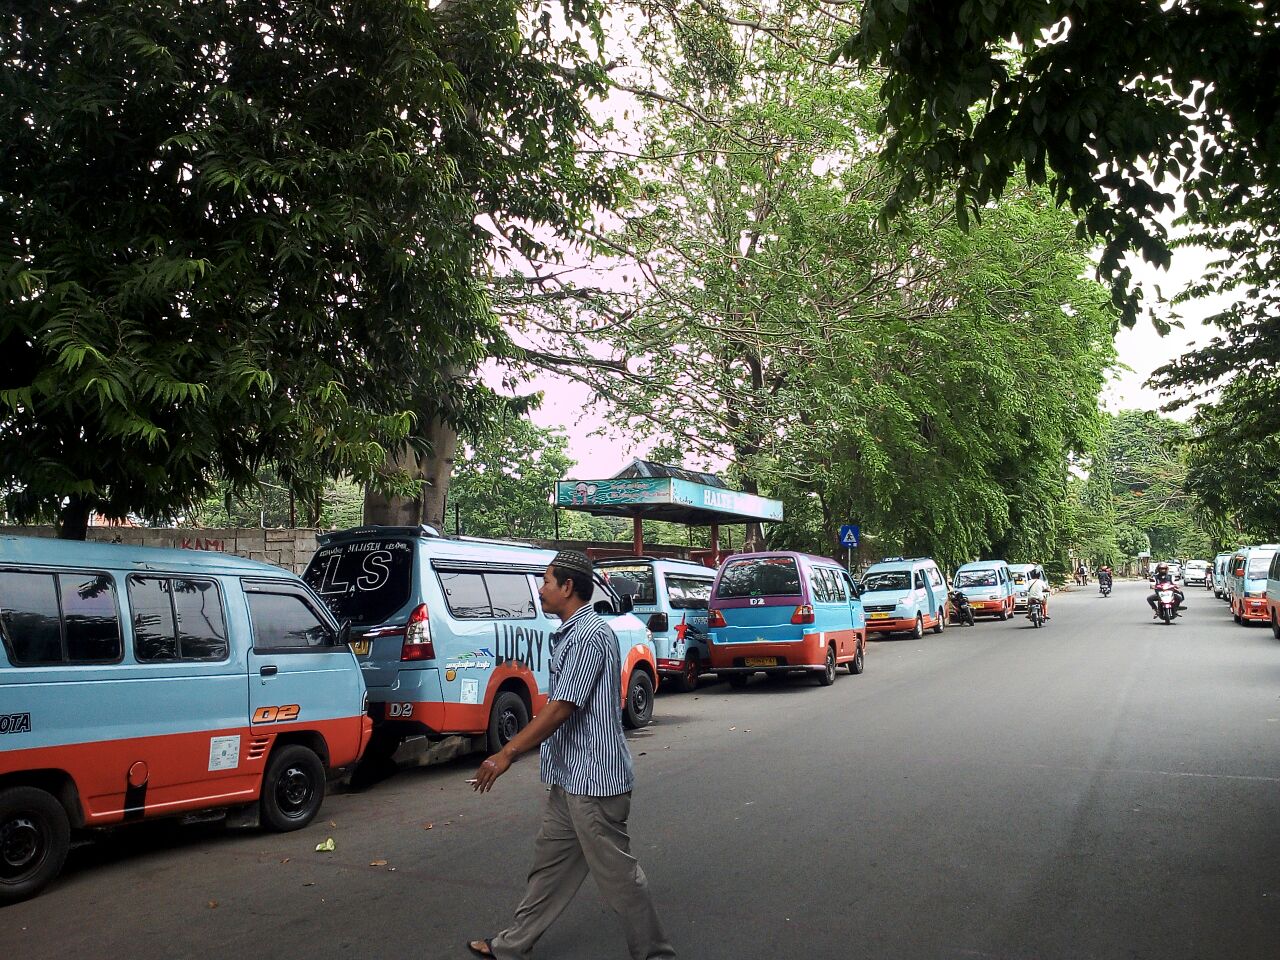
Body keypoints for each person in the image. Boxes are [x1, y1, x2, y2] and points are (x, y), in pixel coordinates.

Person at [467, 550, 676, 960]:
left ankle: (655, 955)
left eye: (546, 582)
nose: (541, 590)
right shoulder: (571, 633)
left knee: (620, 879)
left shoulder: (589, 636)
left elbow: (563, 706)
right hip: (569, 778)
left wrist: (506, 753)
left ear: (567, 587)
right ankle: (511, 945)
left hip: (596, 783)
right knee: (549, 870)